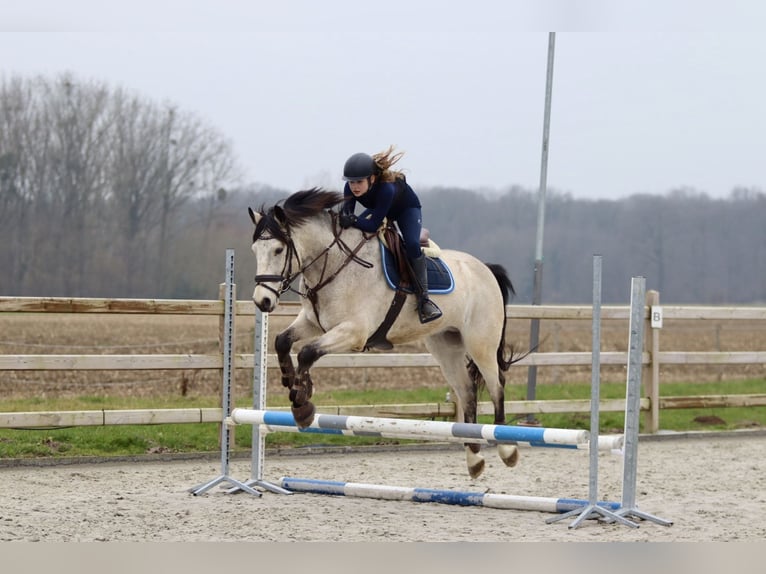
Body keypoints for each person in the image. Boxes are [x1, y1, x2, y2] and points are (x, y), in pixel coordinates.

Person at [339, 145, 442, 323]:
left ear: (372, 178)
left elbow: (371, 225)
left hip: (406, 210)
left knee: (411, 243)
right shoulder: (349, 189)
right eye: (351, 182)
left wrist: (353, 220)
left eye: (359, 182)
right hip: (380, 208)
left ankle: (424, 300)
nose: (354, 187)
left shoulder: (386, 189)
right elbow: (347, 218)